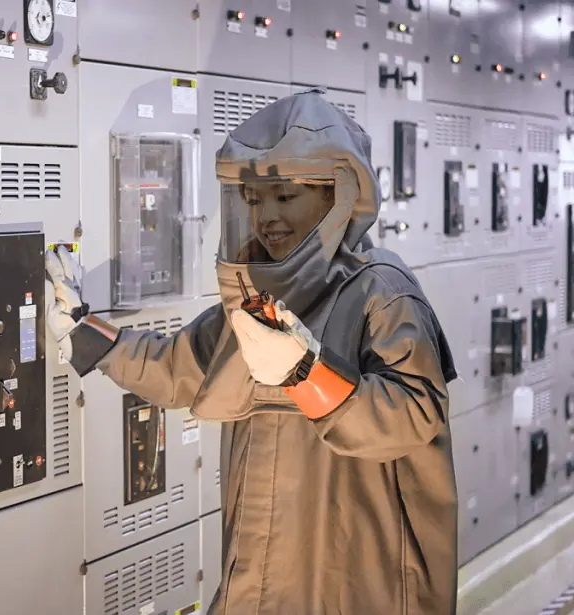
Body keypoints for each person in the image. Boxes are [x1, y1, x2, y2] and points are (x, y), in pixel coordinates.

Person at [45, 87, 459, 615]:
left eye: (285, 197)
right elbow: (178, 366)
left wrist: (307, 373)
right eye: (255, 200)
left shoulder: (383, 293)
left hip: (354, 589)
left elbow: (411, 413)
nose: (266, 218)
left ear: (340, 196)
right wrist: (86, 333)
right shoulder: (260, 295)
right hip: (260, 584)